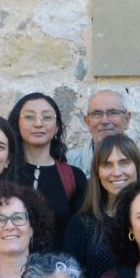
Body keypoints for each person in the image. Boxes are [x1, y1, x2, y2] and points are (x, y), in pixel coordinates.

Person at [64, 133, 140, 278]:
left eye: (124, 163)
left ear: (137, 167)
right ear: (97, 173)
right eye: (107, 165)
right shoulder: (82, 224)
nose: (116, 172)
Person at [8, 91, 88, 240]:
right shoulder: (3, 171)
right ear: (17, 123)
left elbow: (80, 234)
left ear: (57, 127)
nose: (38, 124)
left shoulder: (74, 178)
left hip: (59, 262)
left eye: (47, 117)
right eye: (29, 117)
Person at [66, 88, 131, 171]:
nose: (105, 121)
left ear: (126, 119)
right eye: (97, 114)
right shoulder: (70, 163)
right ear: (87, 122)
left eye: (113, 113)